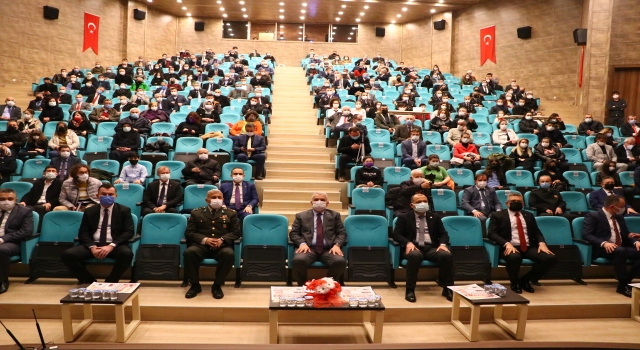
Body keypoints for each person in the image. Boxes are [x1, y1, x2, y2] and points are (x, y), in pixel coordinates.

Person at [61, 184, 135, 284]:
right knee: (67, 255)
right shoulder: (90, 211)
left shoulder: (124, 210)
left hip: (113, 245)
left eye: (110, 194)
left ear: (115, 196)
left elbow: (129, 232)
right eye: (104, 194)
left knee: (127, 254)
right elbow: (83, 232)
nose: (107, 196)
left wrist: (111, 246)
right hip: (94, 244)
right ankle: (88, 281)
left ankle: (110, 281)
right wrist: (92, 247)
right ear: (97, 196)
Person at [488, 192, 558, 293]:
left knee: (551, 258)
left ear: (523, 203)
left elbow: (536, 232)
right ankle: (514, 282)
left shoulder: (528, 215)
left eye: (518, 201)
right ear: (507, 203)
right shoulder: (497, 215)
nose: (516, 203)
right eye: (513, 201)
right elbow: (492, 233)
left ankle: (525, 280)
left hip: (528, 247)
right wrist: (506, 243)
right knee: (514, 257)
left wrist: (542, 243)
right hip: (509, 247)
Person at [392, 193, 454, 302]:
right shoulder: (403, 217)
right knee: (415, 256)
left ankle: (447, 288)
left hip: (431, 248)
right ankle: (410, 290)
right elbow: (396, 234)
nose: (423, 204)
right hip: (413, 248)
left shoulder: (434, 217)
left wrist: (443, 244)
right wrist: (407, 243)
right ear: (412, 205)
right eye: (419, 202)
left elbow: (443, 234)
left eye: (425, 201)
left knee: (446, 255)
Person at [183, 189, 240, 299]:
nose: (217, 200)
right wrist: (205, 240)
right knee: (189, 253)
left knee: (229, 254)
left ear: (223, 199)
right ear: (207, 200)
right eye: (214, 197)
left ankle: (217, 285)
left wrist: (222, 240)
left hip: (221, 246)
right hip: (202, 245)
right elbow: (189, 233)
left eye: (219, 197)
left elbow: (236, 233)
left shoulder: (230, 213)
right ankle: (195, 285)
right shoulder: (196, 213)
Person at [582, 194, 640, 297]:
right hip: (602, 248)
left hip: (621, 247)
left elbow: (626, 235)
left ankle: (627, 281)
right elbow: (587, 235)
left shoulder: (619, 217)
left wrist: (635, 242)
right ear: (612, 206)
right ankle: (622, 287)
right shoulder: (593, 216)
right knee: (620, 251)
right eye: (622, 206)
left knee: (626, 250)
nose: (624, 208)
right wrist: (604, 243)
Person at [289, 192, 347, 286]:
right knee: (298, 260)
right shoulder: (301, 216)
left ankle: (328, 286)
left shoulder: (334, 215)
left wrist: (337, 245)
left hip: (329, 249)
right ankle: (303, 287)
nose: (319, 201)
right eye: (316, 199)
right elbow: (294, 233)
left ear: (327, 203)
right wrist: (302, 243)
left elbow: (342, 233)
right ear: (311, 202)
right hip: (308, 248)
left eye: (322, 200)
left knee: (339, 261)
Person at [0, 188, 34, 293]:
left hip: (12, 243)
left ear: (16, 200)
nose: (6, 201)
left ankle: (2, 281)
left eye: (10, 198)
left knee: (1, 250)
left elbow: (26, 231)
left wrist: (3, 239)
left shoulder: (25, 211)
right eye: (2, 199)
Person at [19, 165, 62, 232]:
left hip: (48, 205)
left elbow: (60, 197)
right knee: (20, 208)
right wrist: (23, 201)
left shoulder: (60, 183)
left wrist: (50, 203)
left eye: (53, 171)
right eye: (49, 171)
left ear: (57, 174)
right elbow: (29, 195)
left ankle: (38, 231)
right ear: (44, 173)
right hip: (35, 204)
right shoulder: (38, 183)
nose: (51, 172)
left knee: (39, 209)